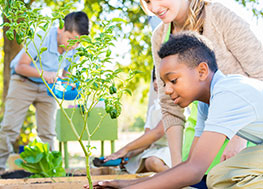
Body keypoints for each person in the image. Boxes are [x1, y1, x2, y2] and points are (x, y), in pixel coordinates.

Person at [87, 31, 263, 189]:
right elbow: (190, 164)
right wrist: (125, 183)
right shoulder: (206, 102)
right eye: (164, 84)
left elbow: (194, 170)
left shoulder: (227, 93)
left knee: (220, 177)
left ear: (202, 71)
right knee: (218, 177)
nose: (168, 90)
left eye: (173, 80)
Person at [140, 0, 263, 169]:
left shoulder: (218, 15)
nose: (152, 8)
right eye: (147, 1)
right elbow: (169, 106)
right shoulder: (159, 36)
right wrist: (177, 166)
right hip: (201, 126)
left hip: (243, 131)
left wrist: (238, 138)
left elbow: (260, 73)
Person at [0, 11, 89, 171]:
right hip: (23, 82)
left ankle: (49, 171)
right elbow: (21, 65)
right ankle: (0, 168)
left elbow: (65, 75)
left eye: (77, 42)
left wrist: (71, 84)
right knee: (9, 129)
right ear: (61, 28)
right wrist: (43, 73)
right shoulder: (43, 36)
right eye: (70, 39)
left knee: (48, 132)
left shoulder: (75, 49)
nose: (73, 46)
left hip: (48, 88)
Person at [105, 67, 171, 173]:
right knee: (132, 165)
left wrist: (125, 149)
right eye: (154, 78)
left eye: (159, 79)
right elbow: (146, 141)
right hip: (156, 150)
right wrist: (127, 154)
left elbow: (157, 133)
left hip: (172, 150)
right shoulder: (154, 108)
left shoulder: (174, 104)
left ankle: (180, 179)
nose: (155, 82)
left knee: (152, 162)